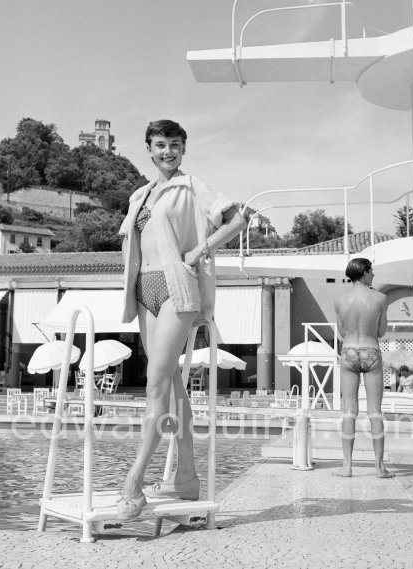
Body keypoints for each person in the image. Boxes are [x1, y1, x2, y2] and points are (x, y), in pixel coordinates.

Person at [116, 119, 247, 520]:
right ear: (149, 150)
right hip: (144, 292)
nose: (168, 151)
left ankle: (134, 484)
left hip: (177, 289)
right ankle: (187, 477)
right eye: (160, 145)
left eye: (175, 144)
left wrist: (199, 251)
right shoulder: (140, 194)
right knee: (171, 384)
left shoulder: (193, 186)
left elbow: (239, 217)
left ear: (183, 149)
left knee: (155, 381)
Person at [333, 257, 394, 478]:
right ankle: (379, 468)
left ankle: (347, 467)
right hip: (370, 350)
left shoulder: (340, 300)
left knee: (349, 411)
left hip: (348, 352)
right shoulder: (380, 298)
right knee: (375, 412)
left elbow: (341, 332)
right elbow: (380, 332)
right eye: (372, 271)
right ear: (365, 272)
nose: (374, 275)